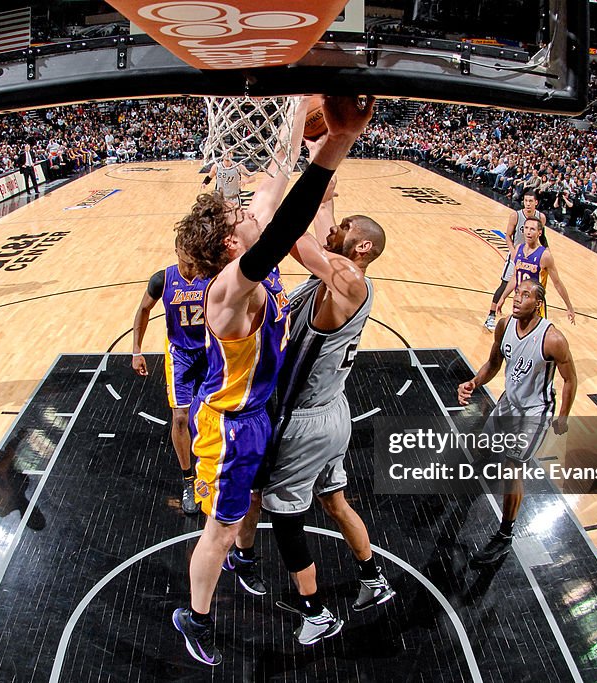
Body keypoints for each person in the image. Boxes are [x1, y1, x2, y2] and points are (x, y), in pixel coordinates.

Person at [170, 95, 374, 667]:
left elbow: (271, 187)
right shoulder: (230, 290)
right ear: (235, 245)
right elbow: (280, 223)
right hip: (230, 427)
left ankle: (240, 557)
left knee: (250, 509)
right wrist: (336, 145)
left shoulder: (246, 257)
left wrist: (296, 124)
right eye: (244, 222)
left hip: (262, 414)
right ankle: (197, 615)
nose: (251, 214)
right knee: (220, 527)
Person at [233, 173, 394, 647]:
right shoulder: (336, 272)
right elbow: (319, 229)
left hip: (303, 420)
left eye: (342, 226)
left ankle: (316, 612)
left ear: (361, 247)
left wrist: (272, 195)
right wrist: (321, 177)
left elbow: (293, 238)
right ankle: (373, 578)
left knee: (285, 518)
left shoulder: (347, 281)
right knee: (335, 501)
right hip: (332, 411)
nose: (333, 228)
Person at [458, 280, 577, 565]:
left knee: (513, 466)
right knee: (483, 447)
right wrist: (474, 381)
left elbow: (570, 379)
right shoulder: (504, 325)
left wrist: (563, 417)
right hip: (509, 404)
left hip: (535, 412)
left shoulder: (553, 339)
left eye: (526, 295)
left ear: (538, 304)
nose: (517, 298)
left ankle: (505, 535)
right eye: (517, 293)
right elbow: (494, 364)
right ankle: (476, 486)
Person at [131, 246, 208, 514]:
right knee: (180, 418)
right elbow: (143, 309)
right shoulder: (162, 279)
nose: (191, 255)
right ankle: (189, 480)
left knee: (219, 414)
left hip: (210, 351)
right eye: (186, 248)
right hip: (181, 355)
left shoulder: (211, 272)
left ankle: (220, 468)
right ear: (177, 250)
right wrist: (137, 351)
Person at [484, 191, 548, 331]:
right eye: (525, 200)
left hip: (532, 258)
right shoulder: (516, 216)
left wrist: (546, 251)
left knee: (531, 288)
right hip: (516, 254)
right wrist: (513, 252)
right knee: (505, 284)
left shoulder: (541, 218)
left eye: (530, 201)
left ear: (536, 202)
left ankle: (530, 321)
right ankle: (491, 314)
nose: (527, 203)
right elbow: (508, 236)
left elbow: (542, 238)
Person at [498, 217, 576, 324]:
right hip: (518, 300)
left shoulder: (545, 255)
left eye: (532, 229)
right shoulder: (518, 249)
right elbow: (515, 278)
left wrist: (569, 307)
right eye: (526, 228)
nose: (528, 232)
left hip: (535, 305)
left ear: (539, 232)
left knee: (534, 338)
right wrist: (503, 297)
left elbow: (557, 283)